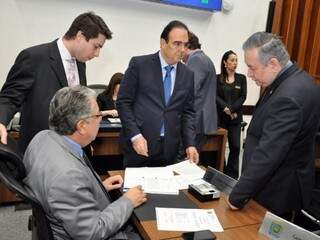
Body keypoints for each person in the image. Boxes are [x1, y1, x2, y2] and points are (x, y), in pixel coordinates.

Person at [23, 86, 147, 239]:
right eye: (98, 114)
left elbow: (66, 195)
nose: (101, 117)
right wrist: (128, 201)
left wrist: (97, 188)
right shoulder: (68, 176)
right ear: (81, 126)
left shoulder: (42, 137)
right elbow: (92, 232)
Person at [228, 32, 320, 219]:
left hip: (277, 194)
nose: (249, 74)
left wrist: (238, 195)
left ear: (273, 63)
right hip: (273, 188)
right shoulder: (295, 80)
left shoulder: (289, 95)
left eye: (252, 68)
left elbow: (269, 153)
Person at [0, 12, 112, 152]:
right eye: (96, 46)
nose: (97, 54)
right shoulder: (34, 57)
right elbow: (9, 98)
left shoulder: (80, 64)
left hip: (71, 152)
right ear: (80, 36)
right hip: (40, 150)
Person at [117, 20, 199, 167]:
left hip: (169, 149)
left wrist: (190, 144)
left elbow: (188, 112)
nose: (182, 49)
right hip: (139, 145)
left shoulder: (188, 74)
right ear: (162, 43)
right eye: (177, 43)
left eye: (185, 45)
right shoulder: (139, 65)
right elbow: (123, 102)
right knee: (136, 190)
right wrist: (135, 136)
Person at [183, 31, 218, 152]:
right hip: (201, 120)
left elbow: (189, 91)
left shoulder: (196, 59)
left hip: (195, 120)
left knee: (185, 163)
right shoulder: (205, 59)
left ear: (187, 46)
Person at [217, 50, 247, 179]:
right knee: (221, 147)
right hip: (221, 119)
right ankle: (221, 172)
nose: (235, 63)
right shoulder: (217, 78)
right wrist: (225, 108)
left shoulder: (241, 78)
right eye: (232, 60)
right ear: (225, 62)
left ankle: (232, 176)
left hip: (235, 119)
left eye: (236, 60)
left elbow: (243, 97)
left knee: (235, 147)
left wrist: (232, 110)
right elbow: (215, 95)